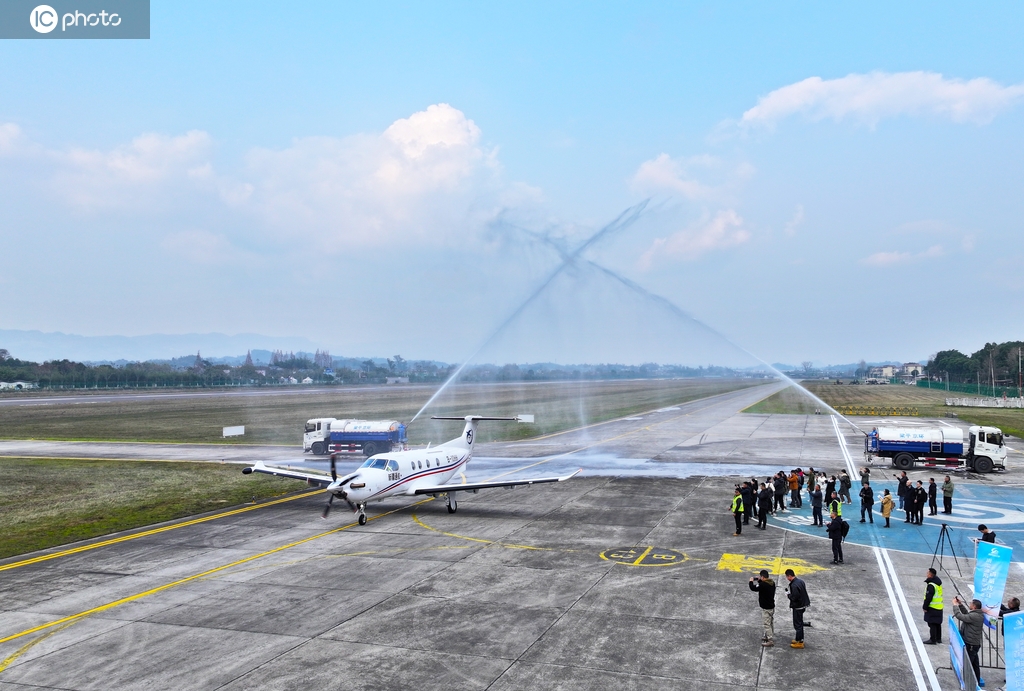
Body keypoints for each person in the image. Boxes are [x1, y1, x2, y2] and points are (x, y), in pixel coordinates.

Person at [952, 596, 985, 687]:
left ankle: (968, 684)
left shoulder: (975, 616)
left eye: (971, 604)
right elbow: (966, 614)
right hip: (973, 644)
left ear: (974, 607)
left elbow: (960, 616)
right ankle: (976, 682)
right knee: (974, 664)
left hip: (971, 645)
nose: (969, 604)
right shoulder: (976, 614)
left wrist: (955, 605)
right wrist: (960, 605)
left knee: (968, 665)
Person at [749, 569, 776, 647]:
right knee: (770, 622)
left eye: (761, 577)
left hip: (766, 608)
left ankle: (770, 640)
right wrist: (760, 580)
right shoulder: (772, 583)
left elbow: (753, 588)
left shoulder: (763, 585)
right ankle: (769, 635)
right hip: (771, 606)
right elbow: (763, 586)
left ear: (763, 577)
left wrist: (751, 581)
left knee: (766, 624)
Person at [784, 569, 810, 648]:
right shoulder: (800, 581)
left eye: (786, 577)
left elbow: (794, 597)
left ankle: (799, 641)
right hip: (803, 604)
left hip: (798, 607)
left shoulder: (794, 585)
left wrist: (788, 595)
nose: (786, 578)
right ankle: (798, 639)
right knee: (800, 622)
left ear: (789, 576)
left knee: (797, 624)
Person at [923, 567, 944, 645]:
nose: (926, 574)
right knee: (937, 623)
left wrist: (925, 607)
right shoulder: (938, 583)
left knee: (932, 623)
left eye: (927, 573)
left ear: (931, 576)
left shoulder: (931, 585)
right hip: (939, 606)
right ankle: (938, 638)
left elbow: (929, 597)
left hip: (932, 607)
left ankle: (933, 639)